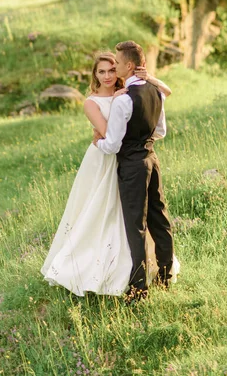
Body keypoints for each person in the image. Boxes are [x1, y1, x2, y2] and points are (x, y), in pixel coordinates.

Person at [41, 51, 175, 297]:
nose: (107, 76)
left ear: (122, 69)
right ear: (94, 75)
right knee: (105, 213)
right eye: (101, 72)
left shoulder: (129, 95)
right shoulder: (95, 101)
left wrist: (147, 80)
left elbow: (162, 94)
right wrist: (116, 102)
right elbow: (107, 133)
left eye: (112, 70)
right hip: (105, 161)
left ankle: (139, 277)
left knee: (134, 219)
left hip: (126, 158)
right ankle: (106, 269)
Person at [93, 41, 178, 302]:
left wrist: (98, 141)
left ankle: (139, 289)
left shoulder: (124, 101)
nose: (114, 67)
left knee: (136, 225)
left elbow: (113, 144)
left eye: (117, 63)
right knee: (159, 219)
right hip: (152, 158)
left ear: (129, 66)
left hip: (132, 165)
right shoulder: (155, 91)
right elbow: (160, 131)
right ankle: (165, 276)